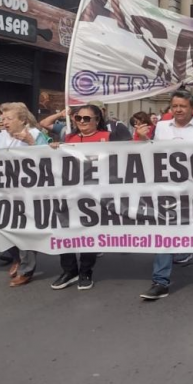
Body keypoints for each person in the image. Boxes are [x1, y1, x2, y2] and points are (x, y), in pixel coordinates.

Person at [137, 89, 193, 300]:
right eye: (175, 106)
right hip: (167, 191)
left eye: (182, 106)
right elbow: (149, 153)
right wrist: (145, 138)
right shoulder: (161, 127)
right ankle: (160, 281)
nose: (178, 110)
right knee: (165, 233)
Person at [50, 105, 128, 291]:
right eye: (79, 118)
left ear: (97, 120)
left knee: (88, 232)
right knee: (65, 230)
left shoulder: (108, 137)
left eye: (87, 118)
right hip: (70, 192)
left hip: (96, 193)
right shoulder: (69, 138)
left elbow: (126, 155)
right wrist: (54, 148)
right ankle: (69, 271)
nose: (82, 122)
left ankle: (86, 271)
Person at [0, 102, 51, 287]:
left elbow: (48, 161)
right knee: (9, 227)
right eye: (3, 119)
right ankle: (17, 259)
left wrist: (31, 144)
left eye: (9, 119)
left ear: (22, 120)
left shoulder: (35, 135)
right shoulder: (1, 136)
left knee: (25, 229)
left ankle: (27, 269)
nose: (5, 122)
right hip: (7, 189)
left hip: (29, 192)